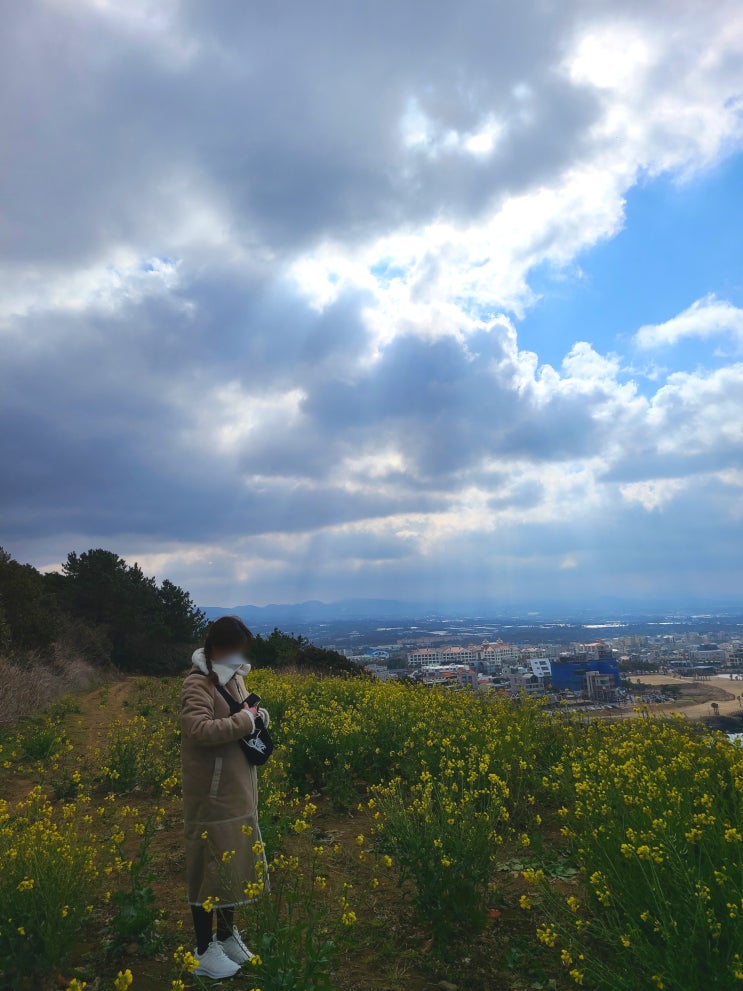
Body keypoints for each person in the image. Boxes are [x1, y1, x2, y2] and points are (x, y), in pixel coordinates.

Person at [180, 615, 270, 979]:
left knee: (232, 865)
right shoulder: (196, 684)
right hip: (212, 795)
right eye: (235, 648)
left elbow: (243, 712)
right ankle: (204, 950)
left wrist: (257, 715)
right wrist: (245, 722)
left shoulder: (235, 678)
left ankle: (227, 935)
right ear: (219, 647)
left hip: (238, 791)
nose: (240, 655)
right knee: (209, 867)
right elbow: (197, 729)